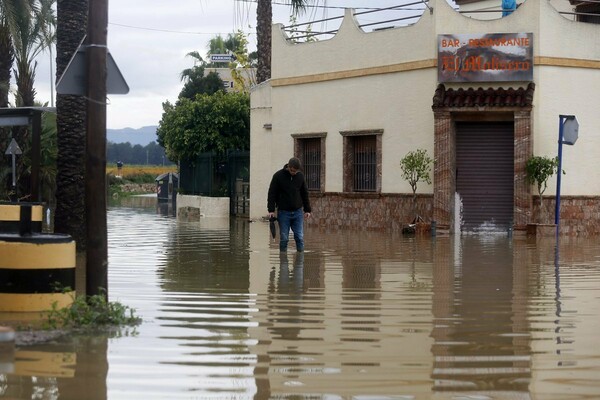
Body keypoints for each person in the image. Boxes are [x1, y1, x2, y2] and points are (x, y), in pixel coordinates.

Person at [267, 157, 312, 252]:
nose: (294, 173)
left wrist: (307, 210)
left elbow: (304, 193)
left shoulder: (300, 177)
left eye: (296, 171)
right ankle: (283, 260)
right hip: (283, 212)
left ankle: (300, 261)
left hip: (298, 212)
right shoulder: (278, 176)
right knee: (284, 238)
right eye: (292, 171)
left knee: (299, 237)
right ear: (288, 166)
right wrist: (271, 210)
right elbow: (272, 193)